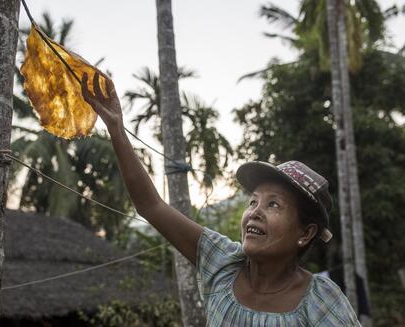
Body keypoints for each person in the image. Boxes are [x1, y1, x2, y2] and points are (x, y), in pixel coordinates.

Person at [80, 72, 361, 326]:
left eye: (273, 204)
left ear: (305, 233)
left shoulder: (322, 304)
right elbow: (151, 206)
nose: (255, 212)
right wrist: (116, 129)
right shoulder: (222, 263)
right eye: (253, 201)